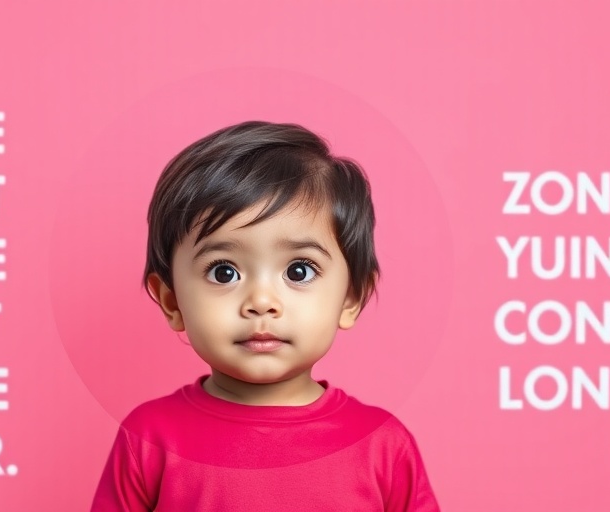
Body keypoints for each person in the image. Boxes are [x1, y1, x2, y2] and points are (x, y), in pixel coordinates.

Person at [91, 121, 440, 511]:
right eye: (224, 272)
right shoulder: (150, 439)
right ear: (172, 301)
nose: (261, 301)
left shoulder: (382, 445)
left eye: (298, 271)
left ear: (350, 298)